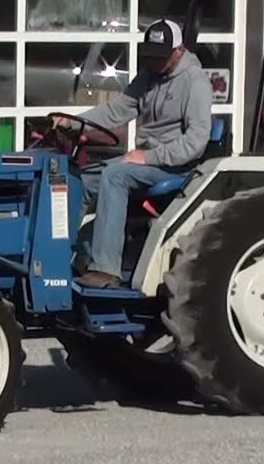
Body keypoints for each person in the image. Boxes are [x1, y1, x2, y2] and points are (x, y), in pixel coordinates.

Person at [54, 18, 215, 288]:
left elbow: (195, 142)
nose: (154, 62)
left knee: (115, 175)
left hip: (175, 164)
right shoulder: (149, 75)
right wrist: (72, 122)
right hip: (145, 159)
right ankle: (59, 256)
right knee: (80, 179)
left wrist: (148, 157)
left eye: (161, 56)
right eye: (150, 55)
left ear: (179, 50)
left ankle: (106, 270)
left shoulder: (195, 81)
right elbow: (117, 110)